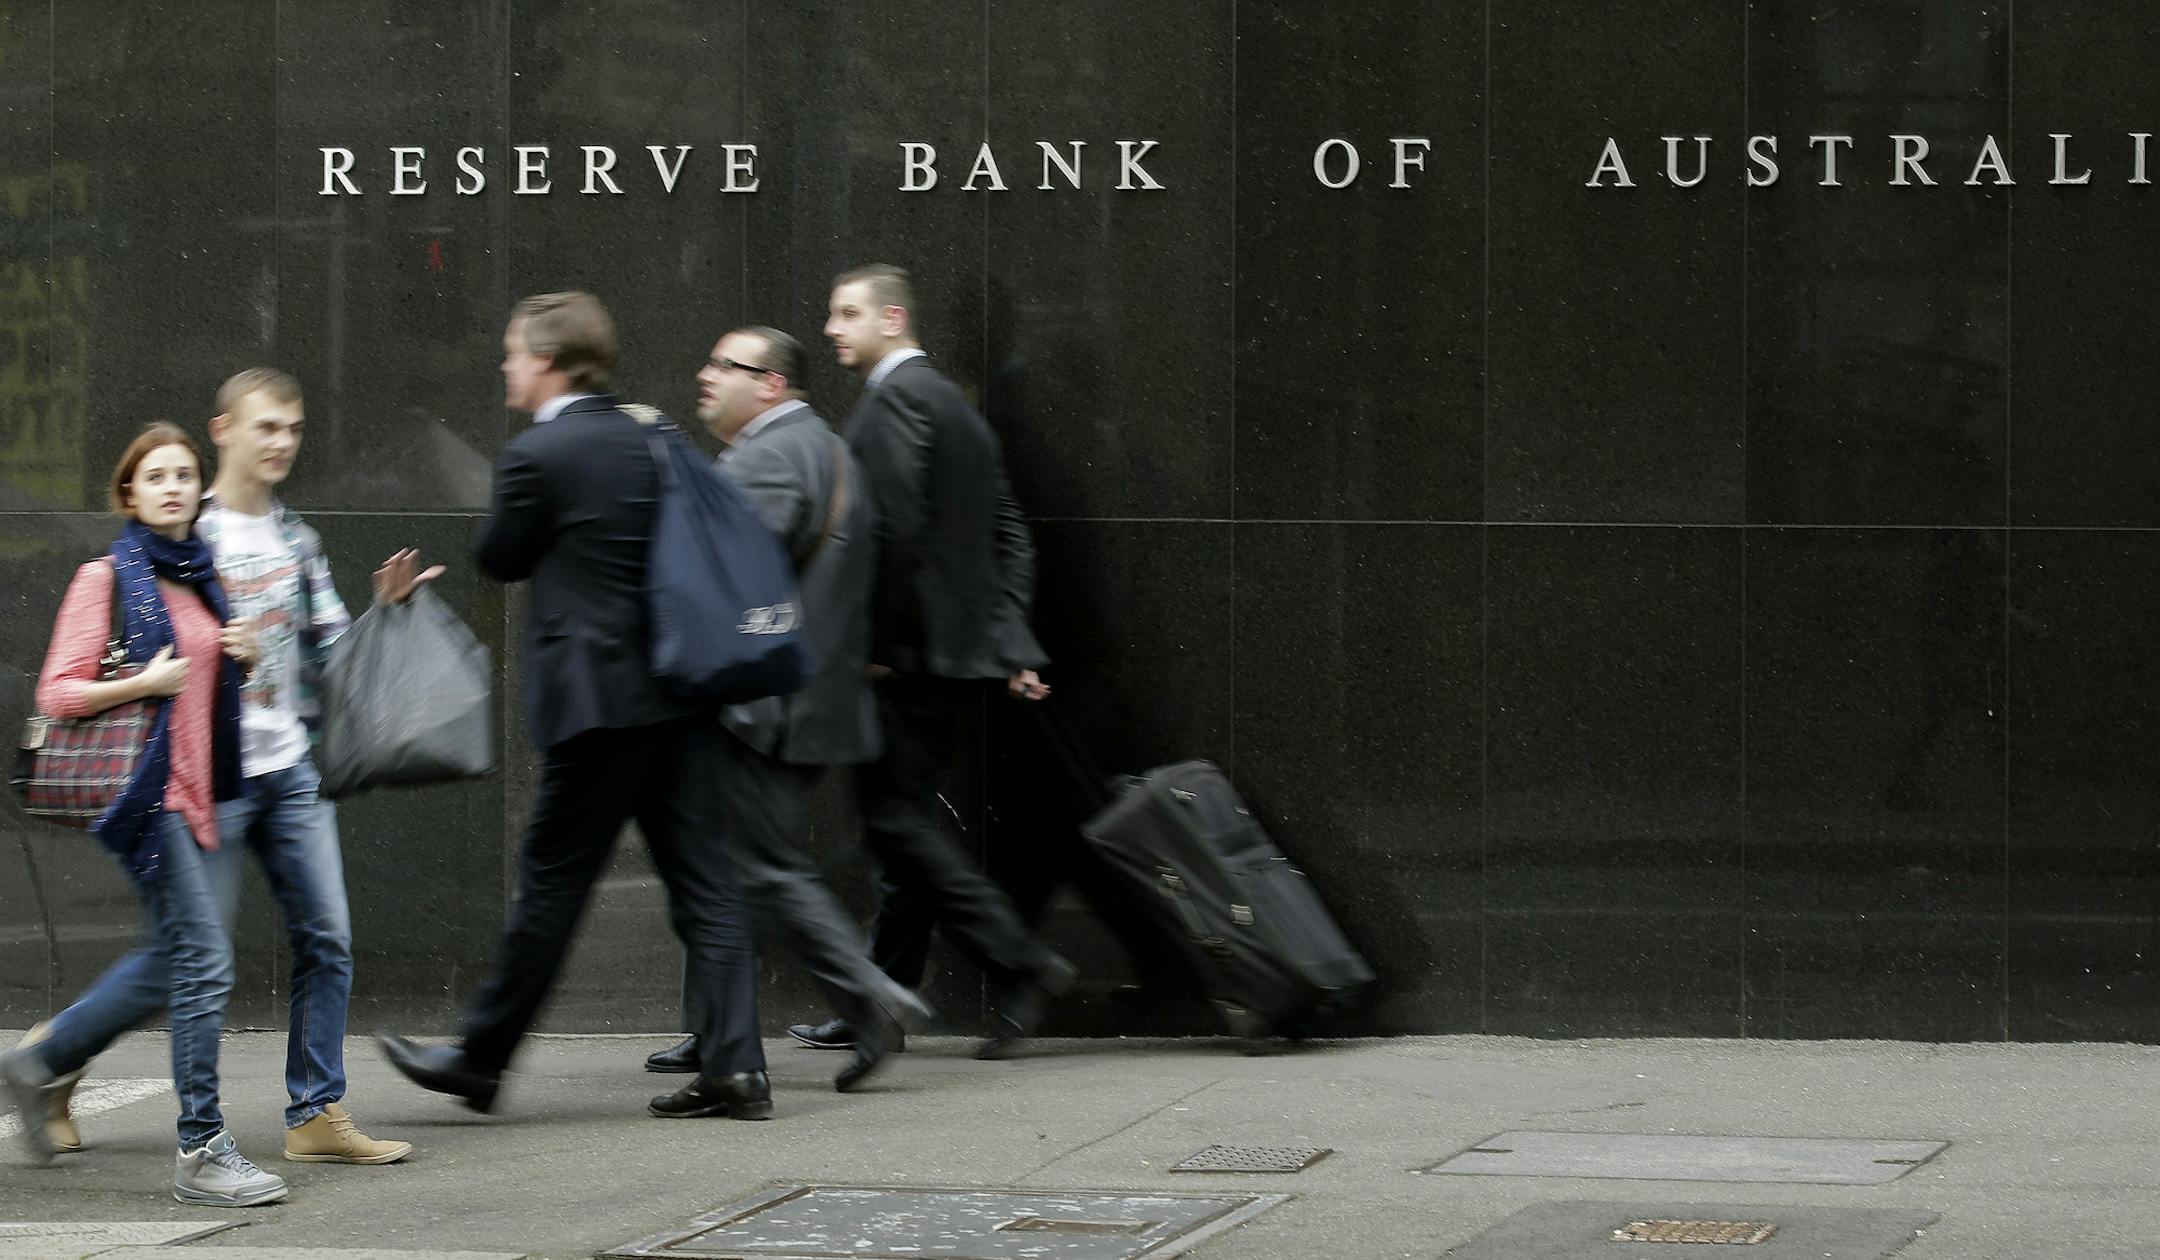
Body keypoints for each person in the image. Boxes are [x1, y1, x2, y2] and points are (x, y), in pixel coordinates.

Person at [7, 371, 423, 1170]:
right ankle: (58, 1061)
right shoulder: (178, 541)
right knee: (185, 958)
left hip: (287, 766)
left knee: (326, 936)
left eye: (295, 430)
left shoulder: (296, 537)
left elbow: (331, 650)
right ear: (223, 429)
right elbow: (73, 677)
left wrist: (386, 612)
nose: (283, 444)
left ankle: (315, 1111)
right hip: (204, 780)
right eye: (268, 427)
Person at [378, 291, 771, 1120]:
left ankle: (481, 1060)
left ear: (549, 361)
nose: (505, 365)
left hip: (597, 704)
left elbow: (499, 557)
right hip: (680, 691)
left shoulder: (539, 455)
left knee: (553, 886)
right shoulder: (651, 432)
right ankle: (737, 1067)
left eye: (516, 351)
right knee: (708, 883)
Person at [791, 264, 1072, 1061]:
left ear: (893, 317)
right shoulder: (950, 404)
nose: (831, 329)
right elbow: (1004, 527)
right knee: (898, 828)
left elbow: (897, 539)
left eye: (847, 313)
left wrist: (876, 649)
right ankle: (880, 998)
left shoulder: (901, 403)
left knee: (899, 827)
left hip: (905, 660)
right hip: (940, 656)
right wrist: (1008, 642)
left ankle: (1019, 966)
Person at [641, 326, 930, 1093]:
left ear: (770, 384)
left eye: (723, 366)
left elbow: (724, 570)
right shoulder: (825, 446)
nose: (704, 376)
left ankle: (867, 998)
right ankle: (712, 1033)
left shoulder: (769, 455)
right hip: (812, 699)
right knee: (726, 867)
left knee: (760, 867)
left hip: (765, 706)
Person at [0, 424, 282, 1206]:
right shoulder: (107, 576)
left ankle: (38, 1061)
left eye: (185, 474)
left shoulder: (205, 576)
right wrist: (141, 686)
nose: (171, 486)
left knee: (175, 958)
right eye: (154, 476)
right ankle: (201, 1149)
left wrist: (250, 657)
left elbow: (214, 687)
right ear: (129, 493)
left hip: (211, 794)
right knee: (206, 962)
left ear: (200, 489)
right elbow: (56, 693)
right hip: (146, 795)